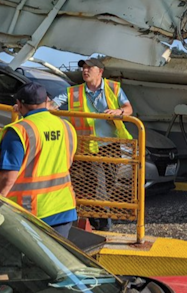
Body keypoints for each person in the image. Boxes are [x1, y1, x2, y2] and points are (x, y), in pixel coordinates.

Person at [52, 57, 133, 231]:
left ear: (100, 71)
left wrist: (119, 111)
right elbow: (52, 105)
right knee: (96, 184)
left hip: (110, 145)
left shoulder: (113, 88)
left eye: (89, 68)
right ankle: (102, 223)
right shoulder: (73, 91)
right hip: (86, 146)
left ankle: (96, 218)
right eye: (83, 68)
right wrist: (36, 107)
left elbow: (128, 108)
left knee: (108, 183)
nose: (85, 71)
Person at [0, 83, 78, 238]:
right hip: (63, 207)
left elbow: (7, 179)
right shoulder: (66, 126)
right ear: (46, 101)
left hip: (29, 212)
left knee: (7, 260)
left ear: (19, 104)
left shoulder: (18, 131)